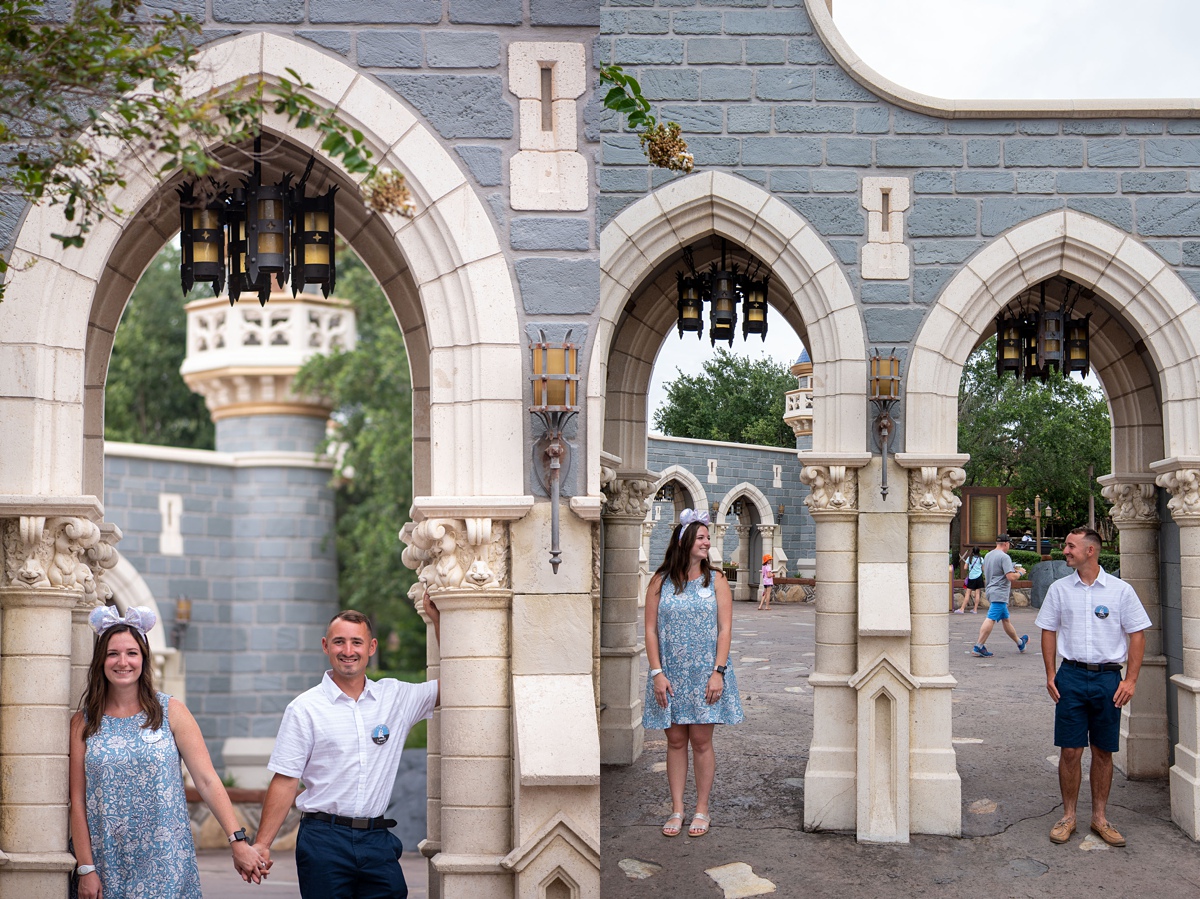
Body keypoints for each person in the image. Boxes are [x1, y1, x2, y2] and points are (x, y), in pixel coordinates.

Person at [69, 606, 266, 899]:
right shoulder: (83, 722)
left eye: (132, 653)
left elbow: (207, 780)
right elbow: (77, 799)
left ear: (144, 659)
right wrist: (86, 868)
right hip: (105, 863)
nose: (123, 661)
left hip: (166, 863)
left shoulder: (171, 711)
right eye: (113, 654)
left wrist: (237, 841)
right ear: (101, 661)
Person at [253, 605, 440, 899]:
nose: (348, 650)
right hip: (323, 841)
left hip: (377, 839)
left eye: (357, 642)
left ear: (372, 647)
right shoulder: (305, 708)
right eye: (339, 641)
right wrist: (262, 845)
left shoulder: (396, 698)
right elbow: (286, 780)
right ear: (326, 646)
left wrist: (438, 619)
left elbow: (458, 683)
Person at [1036, 527, 1150, 847]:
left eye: (1071, 546)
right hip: (1070, 677)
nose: (1065, 550)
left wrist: (1130, 680)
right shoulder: (1060, 589)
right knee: (1070, 750)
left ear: (1090, 551)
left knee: (1103, 750)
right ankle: (1068, 816)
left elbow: (1137, 634)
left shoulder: (1120, 591)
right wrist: (1050, 674)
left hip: (1108, 679)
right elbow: (1048, 630)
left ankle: (1100, 817)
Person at [643, 508, 744, 838]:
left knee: (701, 741)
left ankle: (702, 808)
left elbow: (725, 630)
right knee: (674, 740)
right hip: (670, 674)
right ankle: (677, 808)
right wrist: (657, 672)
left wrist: (719, 672)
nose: (707, 542)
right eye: (701, 537)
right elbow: (650, 630)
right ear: (685, 541)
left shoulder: (716, 580)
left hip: (704, 675)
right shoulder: (660, 581)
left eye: (708, 538)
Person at [973, 534, 1029, 657]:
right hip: (1000, 591)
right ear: (1006, 544)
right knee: (991, 618)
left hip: (990, 590)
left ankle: (1020, 643)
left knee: (1006, 620)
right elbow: (1010, 577)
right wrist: (1020, 573)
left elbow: (995, 570)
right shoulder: (1005, 557)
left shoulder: (988, 555)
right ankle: (979, 646)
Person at [955, 546, 985, 614]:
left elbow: (965, 567)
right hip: (979, 577)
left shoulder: (970, 558)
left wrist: (969, 565)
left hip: (972, 577)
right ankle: (975, 609)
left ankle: (962, 609)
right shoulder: (981, 559)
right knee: (977, 593)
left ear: (973, 552)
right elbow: (983, 569)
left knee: (968, 593)